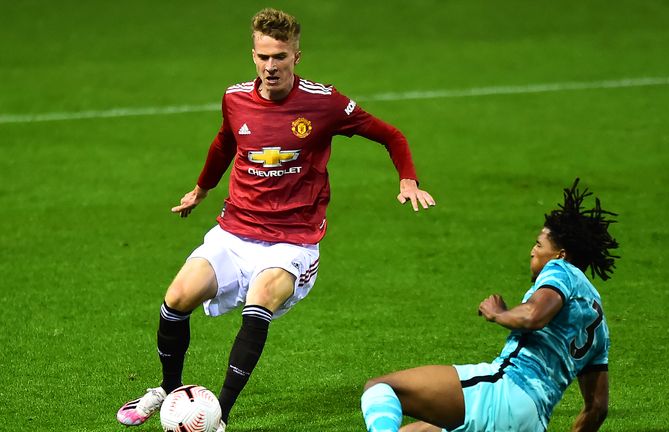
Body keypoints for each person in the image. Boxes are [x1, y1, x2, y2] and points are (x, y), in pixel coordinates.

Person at [116, 8, 435, 432]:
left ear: (296, 57)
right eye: (264, 56)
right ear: (253, 55)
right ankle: (169, 391)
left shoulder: (325, 103)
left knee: (259, 301)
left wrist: (408, 179)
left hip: (293, 240)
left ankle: (220, 416)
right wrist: (202, 188)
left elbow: (391, 135)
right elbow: (223, 143)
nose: (271, 66)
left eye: (280, 56)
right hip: (235, 232)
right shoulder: (234, 98)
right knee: (177, 297)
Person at [360, 179, 618, 432]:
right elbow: (597, 408)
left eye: (539, 245)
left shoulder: (562, 270)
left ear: (561, 254)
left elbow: (534, 316)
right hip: (533, 421)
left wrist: (498, 313)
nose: (532, 251)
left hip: (505, 390)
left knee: (381, 388)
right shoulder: (600, 327)